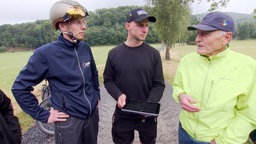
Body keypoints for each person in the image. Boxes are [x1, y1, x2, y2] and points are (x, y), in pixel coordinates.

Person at [11, 0, 100, 144]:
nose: (84, 27)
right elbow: (19, 88)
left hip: (91, 118)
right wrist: (43, 115)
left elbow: (93, 74)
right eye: (78, 23)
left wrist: (96, 96)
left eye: (84, 22)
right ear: (63, 26)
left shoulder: (85, 48)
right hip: (69, 122)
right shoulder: (46, 54)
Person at [172, 11, 256, 144]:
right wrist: (181, 95)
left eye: (205, 34)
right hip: (184, 132)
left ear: (227, 37)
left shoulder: (248, 67)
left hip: (217, 140)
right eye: (198, 33)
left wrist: (223, 141)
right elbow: (177, 86)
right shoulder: (187, 60)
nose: (197, 39)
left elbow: (249, 114)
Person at [103, 8, 165, 144]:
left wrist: (149, 104)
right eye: (140, 25)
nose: (145, 30)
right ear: (127, 26)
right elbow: (108, 80)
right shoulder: (114, 54)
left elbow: (158, 84)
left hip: (147, 114)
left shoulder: (153, 54)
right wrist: (118, 94)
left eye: (147, 25)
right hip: (123, 112)